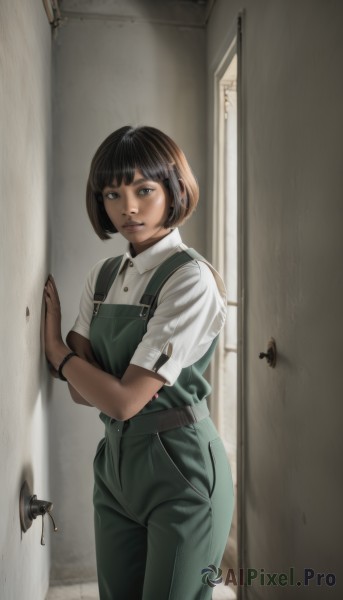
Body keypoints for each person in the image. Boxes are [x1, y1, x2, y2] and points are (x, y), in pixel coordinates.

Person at [44, 125, 234, 600]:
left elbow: (124, 400)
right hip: (116, 464)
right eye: (113, 193)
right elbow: (79, 391)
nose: (128, 207)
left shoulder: (190, 279)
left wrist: (59, 352)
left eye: (144, 189)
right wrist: (77, 370)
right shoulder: (104, 275)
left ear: (173, 190)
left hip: (181, 466)